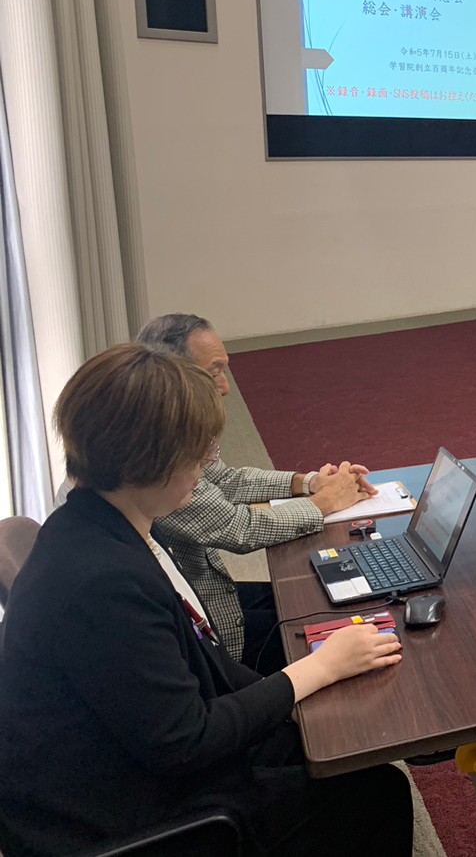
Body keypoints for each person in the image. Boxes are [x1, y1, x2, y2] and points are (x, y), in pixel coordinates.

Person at [0, 344, 412, 857]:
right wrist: (318, 670)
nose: (204, 469)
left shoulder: (92, 526)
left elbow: (199, 656)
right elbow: (184, 742)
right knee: (376, 794)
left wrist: (292, 695)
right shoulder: (101, 583)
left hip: (124, 758)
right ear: (146, 461)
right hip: (116, 816)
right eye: (194, 456)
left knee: (329, 742)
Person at [136, 313, 375, 669]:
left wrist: (308, 483)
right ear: (172, 375)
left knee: (320, 597)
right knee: (341, 623)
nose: (226, 387)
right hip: (212, 637)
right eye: (214, 372)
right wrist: (324, 502)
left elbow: (226, 480)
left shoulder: (161, 428)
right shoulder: (157, 461)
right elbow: (239, 528)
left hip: (211, 596)